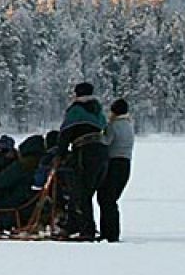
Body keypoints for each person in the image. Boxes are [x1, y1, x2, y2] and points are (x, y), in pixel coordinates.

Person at [57, 81, 109, 240]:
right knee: (87, 191)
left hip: (85, 152)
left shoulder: (76, 111)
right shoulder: (97, 111)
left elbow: (66, 133)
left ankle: (85, 229)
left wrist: (60, 154)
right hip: (102, 151)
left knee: (80, 191)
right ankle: (76, 225)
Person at [98, 98, 134, 242]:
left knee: (106, 198)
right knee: (112, 199)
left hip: (114, 163)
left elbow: (105, 141)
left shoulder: (113, 126)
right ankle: (112, 232)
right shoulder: (129, 125)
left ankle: (109, 233)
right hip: (126, 163)